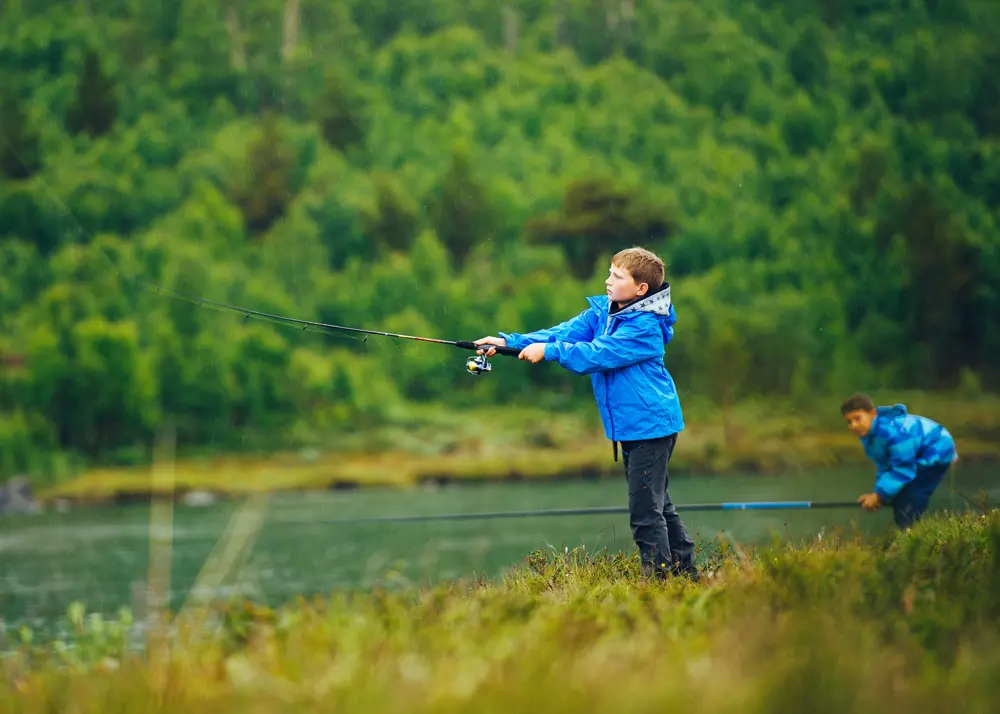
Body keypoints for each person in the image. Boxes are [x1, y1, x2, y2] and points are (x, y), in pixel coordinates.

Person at [476, 247, 697, 580]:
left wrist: (549, 352)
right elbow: (562, 334)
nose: (607, 281)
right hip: (635, 427)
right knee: (658, 504)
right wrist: (509, 342)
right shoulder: (603, 313)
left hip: (652, 427)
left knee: (645, 512)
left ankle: (660, 582)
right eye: (609, 273)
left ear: (641, 290)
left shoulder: (645, 328)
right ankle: (686, 575)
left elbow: (599, 354)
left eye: (617, 277)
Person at [841, 393, 958, 529]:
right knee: (899, 494)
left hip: (936, 451)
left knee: (912, 494)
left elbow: (903, 468)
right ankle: (908, 534)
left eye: (857, 419)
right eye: (849, 422)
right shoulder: (870, 436)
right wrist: (879, 494)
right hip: (914, 455)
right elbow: (885, 466)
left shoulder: (892, 432)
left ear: (872, 414)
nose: (853, 425)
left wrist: (879, 495)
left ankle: (912, 535)